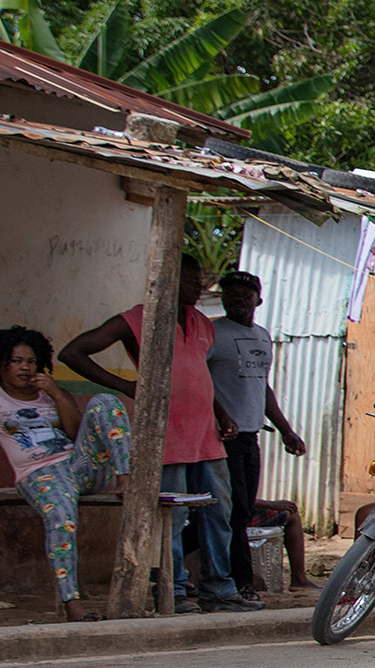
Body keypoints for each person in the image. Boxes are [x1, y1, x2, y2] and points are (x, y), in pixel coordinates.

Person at [58, 255, 258, 611]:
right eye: (192, 280)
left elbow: (198, 373)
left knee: (219, 513)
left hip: (206, 435)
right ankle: (172, 590)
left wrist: (221, 413)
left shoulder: (202, 323)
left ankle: (219, 589)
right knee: (172, 519)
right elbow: (73, 353)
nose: (200, 286)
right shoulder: (137, 319)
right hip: (166, 436)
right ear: (168, 279)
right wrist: (126, 385)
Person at [0, 326, 136, 621]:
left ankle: (125, 479)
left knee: (106, 401)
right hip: (38, 473)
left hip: (78, 467)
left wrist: (56, 394)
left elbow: (76, 434)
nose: (25, 367)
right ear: (0, 363)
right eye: (16, 361)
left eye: (31, 362)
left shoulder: (52, 394)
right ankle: (72, 603)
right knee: (61, 518)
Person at [209, 269, 308, 598]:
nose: (238, 298)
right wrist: (221, 415)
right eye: (231, 293)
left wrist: (286, 430)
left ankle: (237, 580)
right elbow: (200, 381)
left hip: (251, 436)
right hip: (222, 437)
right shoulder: (212, 333)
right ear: (222, 298)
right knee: (235, 509)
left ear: (258, 300)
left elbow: (262, 388)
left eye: (245, 294)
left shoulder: (263, 336)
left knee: (241, 508)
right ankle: (241, 582)